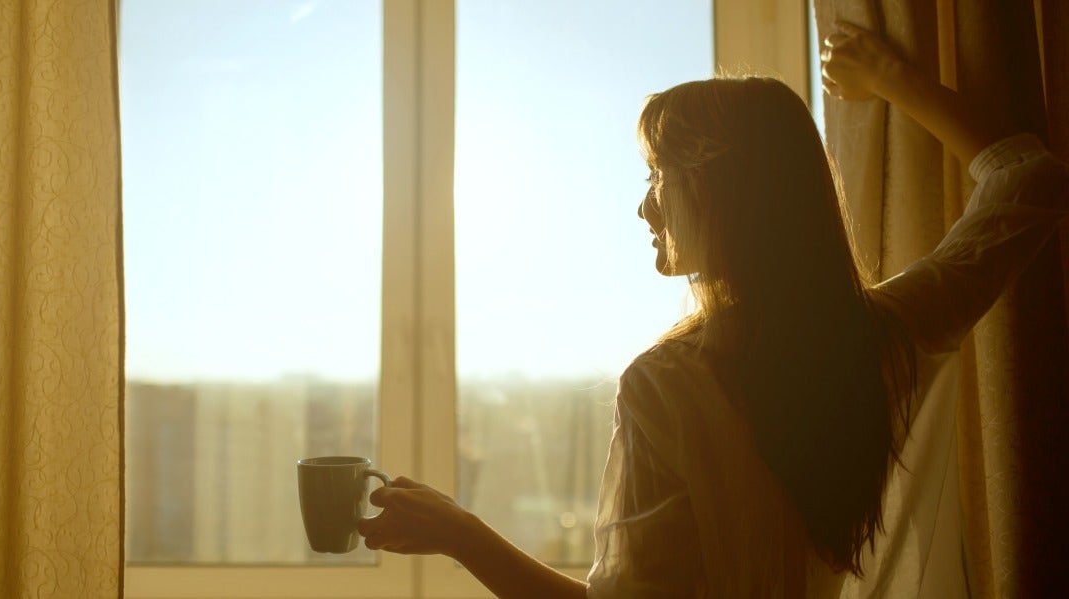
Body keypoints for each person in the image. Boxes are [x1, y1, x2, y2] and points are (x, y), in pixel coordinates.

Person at [355, 22, 1069, 598]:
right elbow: (1025, 178)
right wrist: (890, 78)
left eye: (659, 176)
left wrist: (462, 534)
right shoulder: (883, 338)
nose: (644, 205)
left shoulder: (664, 387)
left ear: (720, 192)